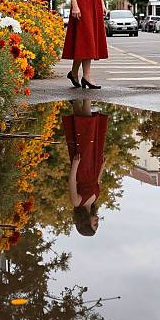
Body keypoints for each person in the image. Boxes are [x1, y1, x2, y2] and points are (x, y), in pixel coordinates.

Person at [63, 100, 108, 236]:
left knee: (87, 132)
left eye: (94, 224)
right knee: (86, 131)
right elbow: (97, 182)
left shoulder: (77, 202)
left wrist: (75, 165)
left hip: (83, 166)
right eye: (97, 225)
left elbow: (71, 181)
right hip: (93, 165)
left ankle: (87, 96)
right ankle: (76, 90)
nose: (97, 222)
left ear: (85, 223)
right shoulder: (94, 200)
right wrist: (102, 167)